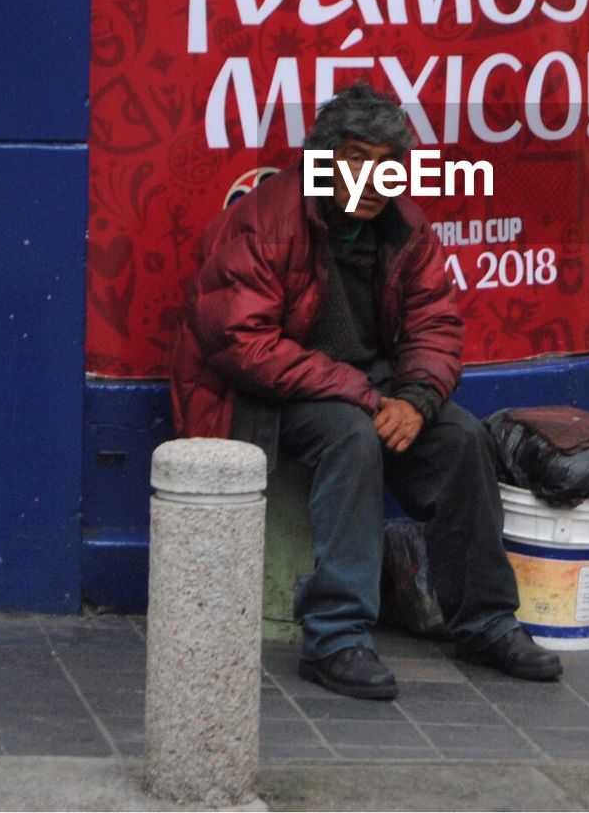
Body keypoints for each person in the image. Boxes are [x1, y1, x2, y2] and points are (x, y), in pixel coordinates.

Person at [171, 81, 561, 700]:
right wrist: (365, 394)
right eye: (356, 157)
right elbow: (242, 343)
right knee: (351, 438)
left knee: (462, 438)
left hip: (366, 386)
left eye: (387, 164)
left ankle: (484, 621)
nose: (372, 178)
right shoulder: (269, 217)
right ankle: (335, 637)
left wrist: (417, 399)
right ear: (324, 157)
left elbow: (436, 322)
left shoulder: (406, 228)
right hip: (264, 395)